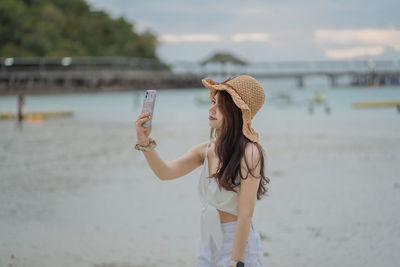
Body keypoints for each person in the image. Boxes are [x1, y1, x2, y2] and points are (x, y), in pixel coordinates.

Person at [134, 75, 270, 267]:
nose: (211, 109)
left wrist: (236, 261)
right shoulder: (206, 150)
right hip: (209, 237)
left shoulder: (249, 152)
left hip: (238, 242)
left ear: (236, 112)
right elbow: (164, 173)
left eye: (220, 105)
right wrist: (144, 142)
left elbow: (246, 214)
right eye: (213, 102)